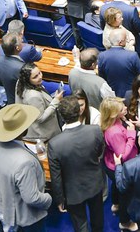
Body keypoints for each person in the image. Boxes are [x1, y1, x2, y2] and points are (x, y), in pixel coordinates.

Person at [0, 104, 53, 232]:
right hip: (26, 215)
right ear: (24, 129)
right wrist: (48, 199)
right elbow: (32, 198)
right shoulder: (25, 162)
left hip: (5, 199)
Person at [47, 96, 105, 232]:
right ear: (79, 111)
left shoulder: (54, 144)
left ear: (61, 116)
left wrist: (59, 199)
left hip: (73, 191)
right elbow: (100, 152)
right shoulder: (95, 130)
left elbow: (56, 176)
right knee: (97, 218)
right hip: (94, 183)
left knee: (80, 225)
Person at [99, 97, 137, 229]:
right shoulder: (114, 132)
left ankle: (115, 205)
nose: (126, 108)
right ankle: (125, 222)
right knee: (125, 194)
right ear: (113, 114)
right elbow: (123, 155)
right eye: (122, 109)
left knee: (116, 185)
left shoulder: (114, 121)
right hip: (120, 166)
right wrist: (131, 134)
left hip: (110, 163)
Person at [15, 62, 63, 142]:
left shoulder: (21, 82)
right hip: (45, 133)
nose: (40, 77)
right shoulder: (33, 96)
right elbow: (40, 118)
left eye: (39, 73)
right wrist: (56, 101)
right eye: (35, 77)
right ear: (28, 80)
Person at [98, 25, 140, 98]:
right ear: (120, 42)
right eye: (125, 39)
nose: (127, 40)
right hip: (131, 94)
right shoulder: (132, 56)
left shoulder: (102, 56)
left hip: (112, 95)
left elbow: (101, 77)